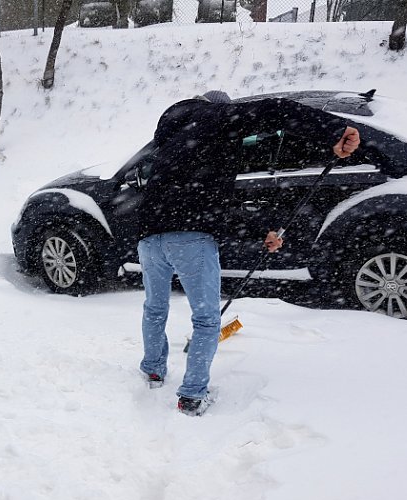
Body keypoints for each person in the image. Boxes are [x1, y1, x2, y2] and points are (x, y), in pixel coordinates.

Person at [136, 91, 360, 416]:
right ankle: (192, 395)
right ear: (221, 107)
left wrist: (259, 233)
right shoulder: (218, 119)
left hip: (149, 236)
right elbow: (277, 109)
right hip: (191, 238)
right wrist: (333, 130)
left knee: (155, 308)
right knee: (206, 320)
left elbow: (208, 198)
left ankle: (153, 370)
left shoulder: (170, 137)